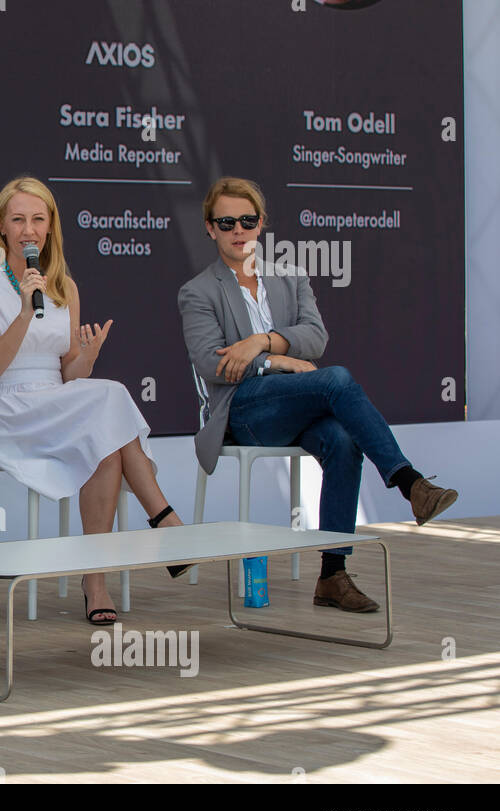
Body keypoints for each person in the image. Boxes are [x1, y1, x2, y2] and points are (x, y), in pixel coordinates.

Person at [179, 176, 458, 612]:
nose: (239, 230)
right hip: (243, 410)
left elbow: (316, 337)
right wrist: (280, 360)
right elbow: (210, 363)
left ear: (261, 224)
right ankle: (409, 483)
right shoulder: (197, 292)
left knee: (344, 443)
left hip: (291, 403)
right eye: (227, 221)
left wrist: (260, 341)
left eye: (247, 221)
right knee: (336, 380)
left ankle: (332, 575)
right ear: (210, 228)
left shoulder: (289, 277)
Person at [0, 176, 188, 626]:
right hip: (5, 409)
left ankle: (95, 581)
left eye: (38, 220)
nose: (29, 229)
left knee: (105, 445)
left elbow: (69, 376)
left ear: (50, 228)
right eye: (19, 219)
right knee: (112, 402)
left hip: (54, 403)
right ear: (1, 226)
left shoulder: (64, 285)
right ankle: (164, 519)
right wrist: (25, 313)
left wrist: (89, 355)